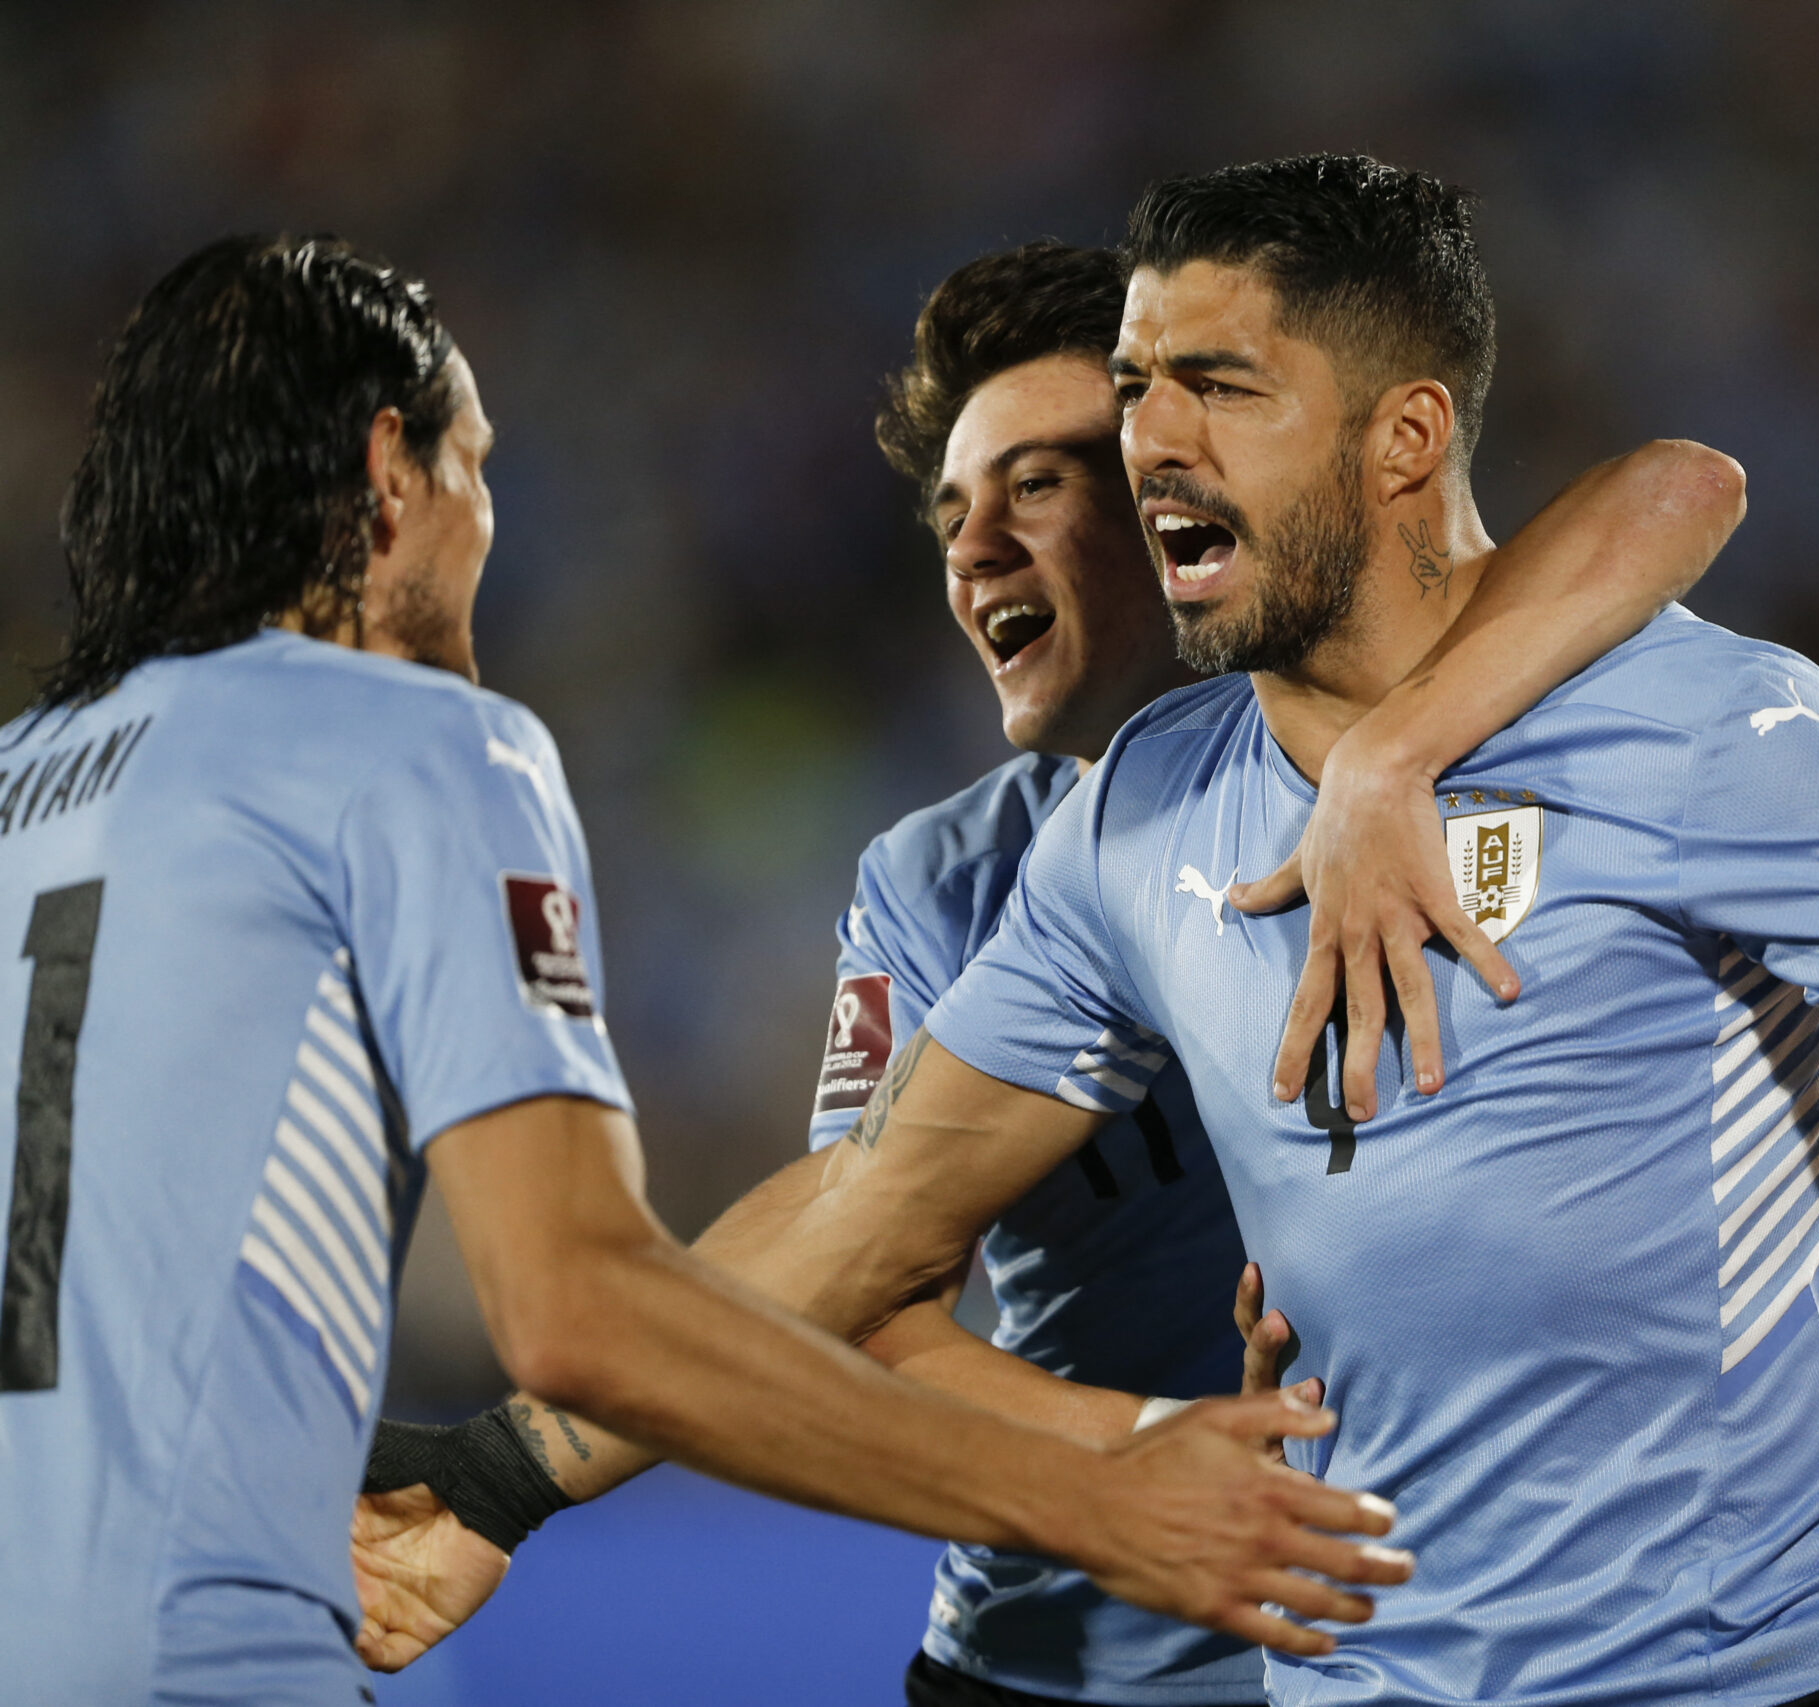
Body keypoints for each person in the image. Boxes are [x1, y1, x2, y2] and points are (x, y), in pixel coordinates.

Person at [670, 154, 1819, 1705]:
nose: (1151, 436)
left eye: (1214, 385)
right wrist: (515, 1461)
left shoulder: (1713, 728)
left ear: (1406, 439)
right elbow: (863, 1228)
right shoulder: (1140, 818)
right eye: (1139, 385)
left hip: (1763, 1678)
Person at [0, 233, 1409, 1707]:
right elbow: (635, 1290)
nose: (491, 539)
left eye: (1039, 482)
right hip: (221, 1651)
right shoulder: (421, 747)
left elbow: (1663, 500)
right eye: (482, 471)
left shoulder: (22, 786)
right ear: (392, 472)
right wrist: (1102, 1488)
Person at [353, 233, 1744, 1704]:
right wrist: (1156, 1456)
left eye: (1039, 483)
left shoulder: (1440, 739)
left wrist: (1397, 751)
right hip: (1062, 1660)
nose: (972, 548)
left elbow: (1680, 488)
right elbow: (862, 1260)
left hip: (1422, 1652)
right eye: (953, 508)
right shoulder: (942, 881)